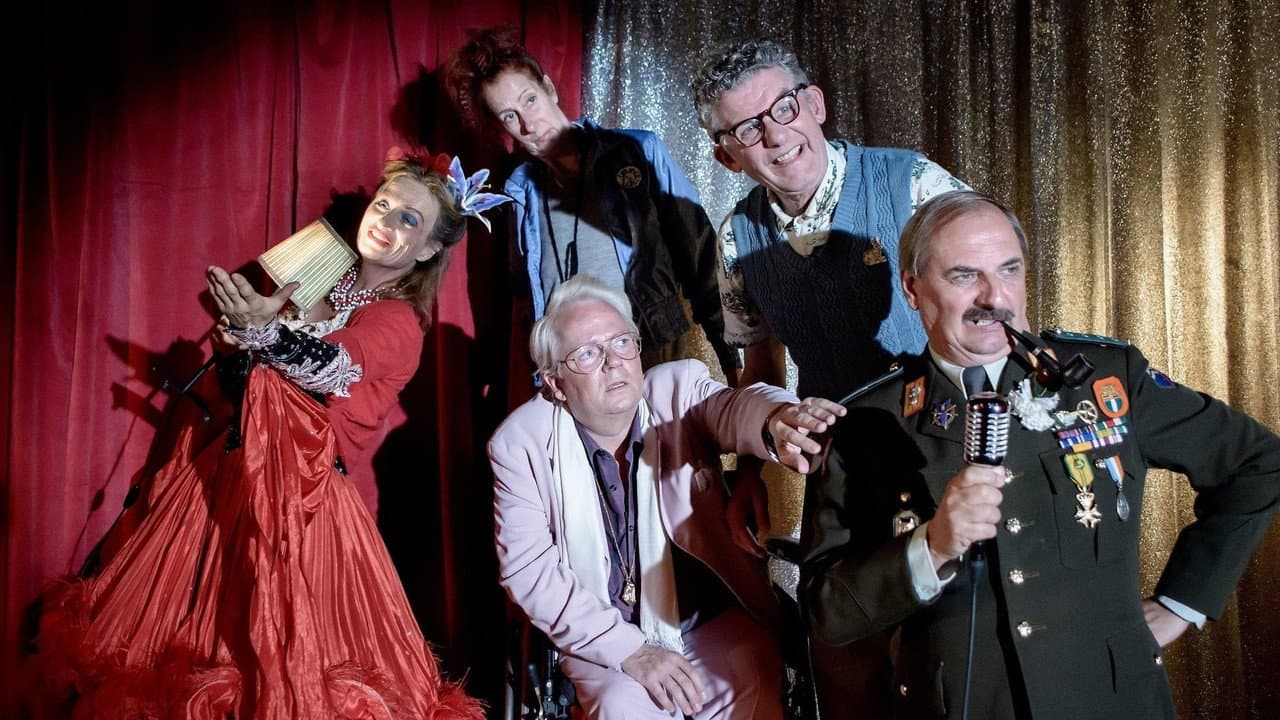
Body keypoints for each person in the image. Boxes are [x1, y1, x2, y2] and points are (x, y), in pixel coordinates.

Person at [24, 149, 504, 719]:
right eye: (384, 205)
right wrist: (237, 348)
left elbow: (326, 366)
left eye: (409, 219)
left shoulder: (398, 323)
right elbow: (250, 392)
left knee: (282, 672)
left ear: (427, 249)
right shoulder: (315, 280)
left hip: (302, 509)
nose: (386, 221)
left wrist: (265, 334)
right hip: (224, 485)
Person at [798, 190, 1280, 719]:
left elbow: (1259, 462)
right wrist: (930, 548)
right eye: (965, 276)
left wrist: (1181, 602)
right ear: (913, 289)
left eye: (1009, 270)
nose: (995, 297)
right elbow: (826, 611)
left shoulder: (1105, 378)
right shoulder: (866, 422)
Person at [690, 38, 968, 715]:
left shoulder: (913, 184)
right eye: (747, 128)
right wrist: (749, 475)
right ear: (727, 156)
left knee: (957, 651)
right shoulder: (737, 240)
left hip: (944, 448)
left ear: (814, 103)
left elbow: (992, 311)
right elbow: (760, 369)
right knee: (844, 657)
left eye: (783, 108)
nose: (774, 135)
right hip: (841, 467)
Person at [487, 274, 845, 718]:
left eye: (622, 342)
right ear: (555, 383)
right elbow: (529, 571)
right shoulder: (520, 444)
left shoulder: (676, 390)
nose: (613, 363)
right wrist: (630, 650)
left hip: (700, 616)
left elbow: (735, 408)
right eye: (587, 354)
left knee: (752, 669)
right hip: (604, 638)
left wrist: (777, 420)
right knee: (622, 707)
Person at [444, 26, 741, 384]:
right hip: (578, 373)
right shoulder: (520, 191)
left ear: (549, 89)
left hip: (656, 352)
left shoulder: (637, 151)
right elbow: (526, 294)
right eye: (509, 116)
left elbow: (701, 255)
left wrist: (732, 361)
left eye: (530, 100)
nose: (528, 124)